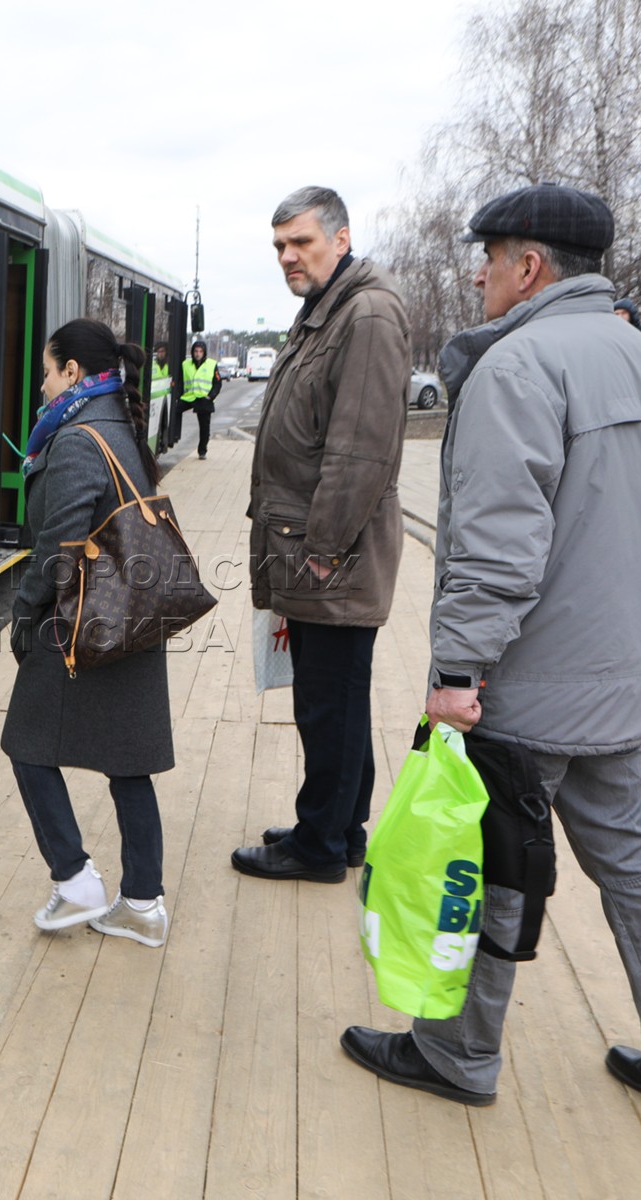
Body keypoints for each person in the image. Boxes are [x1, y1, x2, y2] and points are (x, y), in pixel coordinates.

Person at [340, 183, 641, 1109]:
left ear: (529, 266)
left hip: (528, 685)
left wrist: (456, 672)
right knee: (633, 859)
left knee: (490, 859)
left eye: (488, 258)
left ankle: (455, 1055)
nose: (478, 275)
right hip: (619, 671)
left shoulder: (518, 367)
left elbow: (496, 544)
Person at [233, 186, 410, 883]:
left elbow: (359, 455)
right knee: (337, 702)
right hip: (317, 555)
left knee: (326, 707)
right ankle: (340, 828)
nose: (287, 256)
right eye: (279, 245)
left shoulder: (364, 314)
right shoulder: (324, 313)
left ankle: (319, 848)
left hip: (332, 560)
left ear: (340, 239)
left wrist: (320, 558)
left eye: (301, 242)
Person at [3, 318, 175, 948]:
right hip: (128, 619)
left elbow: (61, 544)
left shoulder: (78, 438)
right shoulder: (119, 425)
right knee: (128, 763)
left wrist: (24, 612)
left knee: (25, 742)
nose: (43, 387)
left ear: (72, 371)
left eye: (47, 373)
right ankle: (142, 903)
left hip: (83, 621)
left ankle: (75, 878)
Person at [173, 339, 222, 458]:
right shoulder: (185, 364)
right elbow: (180, 382)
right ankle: (173, 435)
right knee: (173, 411)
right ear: (192, 352)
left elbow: (218, 383)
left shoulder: (211, 364)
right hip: (189, 397)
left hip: (204, 398)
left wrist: (210, 396)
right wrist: (177, 396)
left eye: (200, 351)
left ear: (204, 353)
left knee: (204, 428)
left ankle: (202, 451)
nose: (198, 353)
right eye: (196, 351)